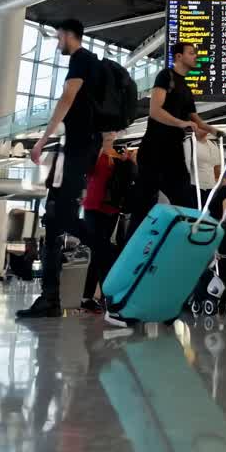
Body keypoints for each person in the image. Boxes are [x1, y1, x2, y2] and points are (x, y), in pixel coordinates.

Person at [18, 19, 103, 321]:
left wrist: (42, 140)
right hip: (81, 148)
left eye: (58, 38)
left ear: (69, 35)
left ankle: (51, 298)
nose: (57, 44)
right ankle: (61, 292)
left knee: (56, 217)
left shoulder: (81, 61)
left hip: (78, 148)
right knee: (60, 218)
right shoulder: (93, 63)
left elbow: (67, 99)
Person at [128, 42, 217, 234]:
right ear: (178, 57)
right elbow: (154, 111)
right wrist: (180, 123)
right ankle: (126, 254)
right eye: (191, 53)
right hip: (154, 151)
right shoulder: (165, 76)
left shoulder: (186, 87)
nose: (196, 56)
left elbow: (195, 119)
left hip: (173, 154)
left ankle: (187, 251)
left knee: (186, 204)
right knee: (143, 208)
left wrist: (214, 130)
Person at [80, 131, 135, 314]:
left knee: (99, 254)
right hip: (93, 207)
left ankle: (88, 297)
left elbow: (126, 180)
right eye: (108, 131)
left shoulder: (119, 155)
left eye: (114, 132)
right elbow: (88, 171)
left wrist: (128, 161)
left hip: (111, 208)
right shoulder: (95, 153)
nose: (112, 134)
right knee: (102, 251)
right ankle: (108, 296)